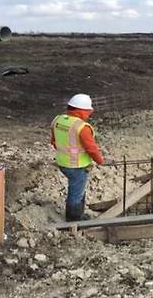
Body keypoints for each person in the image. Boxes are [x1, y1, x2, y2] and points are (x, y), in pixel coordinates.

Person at [50, 93, 104, 221]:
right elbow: (91, 148)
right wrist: (100, 161)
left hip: (62, 162)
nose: (89, 115)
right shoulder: (81, 127)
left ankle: (79, 214)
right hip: (77, 166)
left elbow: (53, 141)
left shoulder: (58, 120)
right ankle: (73, 220)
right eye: (88, 112)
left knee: (78, 189)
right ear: (81, 111)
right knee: (76, 194)